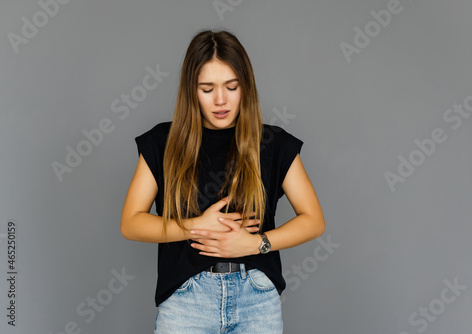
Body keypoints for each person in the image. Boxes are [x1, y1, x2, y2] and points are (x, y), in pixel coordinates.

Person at [120, 29, 325, 334]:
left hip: (257, 299)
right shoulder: (163, 142)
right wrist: (195, 226)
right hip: (186, 300)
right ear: (191, 90)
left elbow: (313, 221)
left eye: (231, 87)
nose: (220, 100)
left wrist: (257, 243)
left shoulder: (273, 143)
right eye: (207, 88)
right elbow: (131, 223)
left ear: (246, 87)